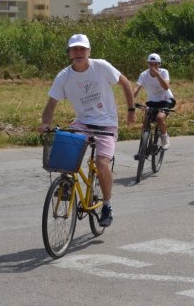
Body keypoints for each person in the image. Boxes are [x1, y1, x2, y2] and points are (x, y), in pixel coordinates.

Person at [39, 34, 135, 228]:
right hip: (83, 122)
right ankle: (66, 185)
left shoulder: (101, 67)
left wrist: (131, 111)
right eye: (74, 49)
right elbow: (51, 105)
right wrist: (45, 123)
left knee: (101, 164)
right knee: (64, 148)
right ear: (69, 54)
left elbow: (125, 83)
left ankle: (107, 205)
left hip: (107, 123)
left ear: (89, 51)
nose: (78, 52)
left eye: (82, 49)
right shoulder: (64, 76)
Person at [133, 53, 175, 153]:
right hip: (152, 101)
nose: (153, 67)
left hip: (165, 100)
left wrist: (157, 75)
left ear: (159, 64)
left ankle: (165, 138)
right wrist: (130, 99)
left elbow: (166, 87)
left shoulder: (164, 72)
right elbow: (136, 88)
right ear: (148, 64)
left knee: (159, 118)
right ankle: (142, 149)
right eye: (150, 64)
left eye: (155, 64)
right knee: (146, 122)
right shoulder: (144, 75)